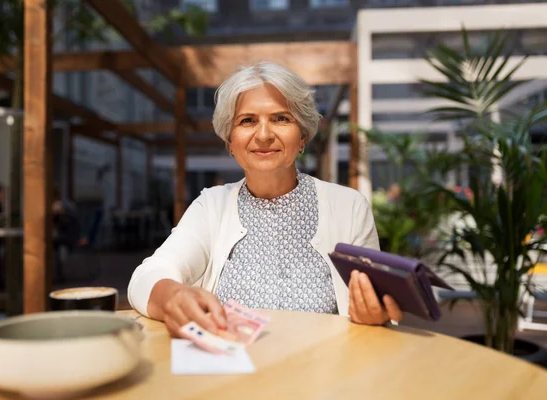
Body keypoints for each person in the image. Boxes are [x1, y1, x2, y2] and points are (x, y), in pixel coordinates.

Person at [128, 62, 403, 337]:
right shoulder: (212, 206)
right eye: (247, 120)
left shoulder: (349, 207)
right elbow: (146, 277)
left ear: (303, 136)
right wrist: (173, 295)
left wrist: (374, 315)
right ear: (230, 142)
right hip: (235, 369)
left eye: (281, 118)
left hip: (324, 372)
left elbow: (377, 306)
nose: (263, 135)